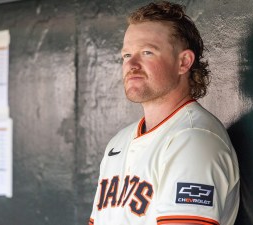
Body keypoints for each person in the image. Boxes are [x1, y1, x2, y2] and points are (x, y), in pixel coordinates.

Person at [89, 1, 239, 225]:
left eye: (147, 52)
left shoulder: (194, 139)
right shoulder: (117, 143)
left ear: (184, 62)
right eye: (127, 55)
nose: (132, 64)